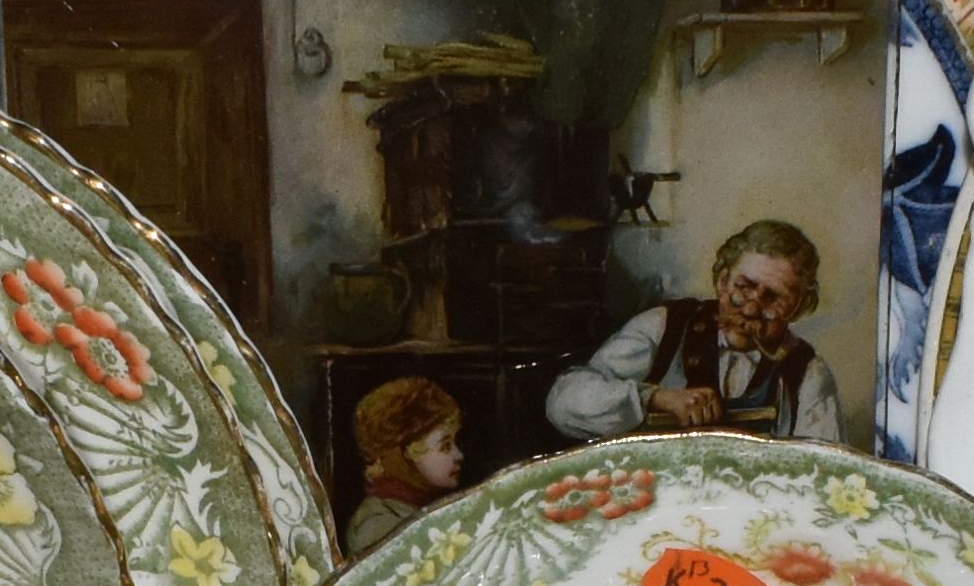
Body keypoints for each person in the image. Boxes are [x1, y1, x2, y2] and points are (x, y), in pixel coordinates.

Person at [542, 217, 845, 449]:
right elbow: (563, 403)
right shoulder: (666, 327)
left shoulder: (808, 373)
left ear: (798, 307)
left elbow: (824, 470)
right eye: (744, 288)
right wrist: (655, 399)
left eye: (773, 298)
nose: (751, 310)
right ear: (723, 281)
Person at [343, 374, 470, 553]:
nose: (459, 455)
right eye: (445, 446)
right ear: (405, 454)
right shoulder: (379, 524)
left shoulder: (419, 508)